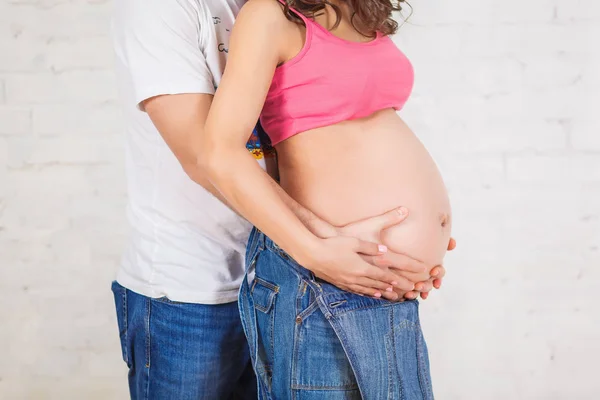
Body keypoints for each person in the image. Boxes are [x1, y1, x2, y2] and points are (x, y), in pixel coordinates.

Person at [110, 0, 451, 398]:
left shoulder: (315, 9)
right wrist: (321, 243)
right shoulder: (164, 9)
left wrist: (418, 237)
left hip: (320, 269)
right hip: (196, 283)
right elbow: (205, 158)